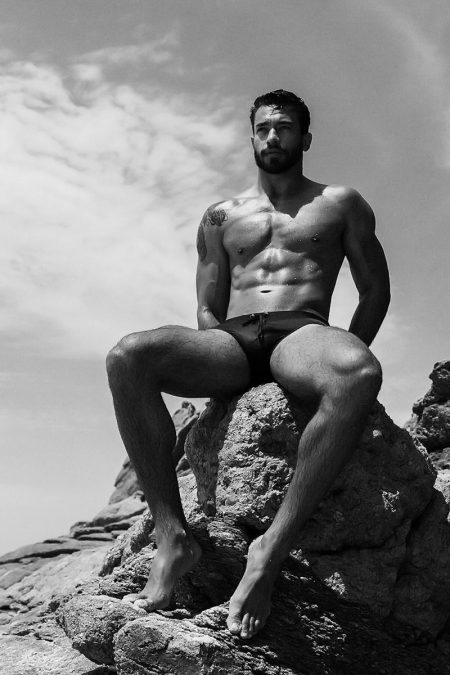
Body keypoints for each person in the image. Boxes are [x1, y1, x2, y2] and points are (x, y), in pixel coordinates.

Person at [106, 89, 390, 640]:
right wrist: (218, 371)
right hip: (233, 339)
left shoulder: (340, 202)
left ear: (305, 138)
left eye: (284, 128)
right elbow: (207, 305)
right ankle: (172, 538)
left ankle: (268, 552)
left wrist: (340, 353)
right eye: (263, 128)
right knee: (128, 356)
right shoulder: (221, 215)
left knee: (358, 372)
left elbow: (374, 289)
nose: (272, 137)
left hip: (302, 332)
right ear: (251, 137)